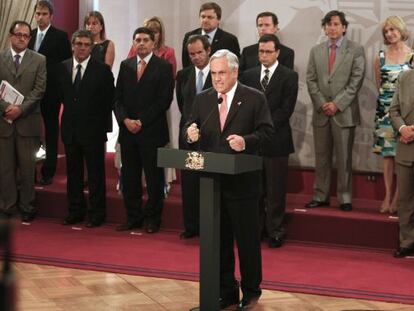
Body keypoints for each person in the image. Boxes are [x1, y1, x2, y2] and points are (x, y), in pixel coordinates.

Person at [185, 50, 273, 310]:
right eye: (213, 73)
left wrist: (246, 141)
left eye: (222, 73)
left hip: (242, 184)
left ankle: (251, 292)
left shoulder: (254, 98)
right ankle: (225, 292)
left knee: (246, 242)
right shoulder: (203, 100)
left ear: (235, 72)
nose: (217, 78)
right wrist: (189, 134)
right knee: (218, 242)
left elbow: (268, 134)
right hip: (211, 184)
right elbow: (189, 128)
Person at [240, 34, 298, 248]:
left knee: (275, 191)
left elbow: (286, 109)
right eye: (261, 52)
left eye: (268, 52)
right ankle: (256, 229)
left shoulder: (289, 76)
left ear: (277, 53)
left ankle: (275, 230)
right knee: (255, 190)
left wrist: (264, 127)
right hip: (254, 143)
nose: (263, 55)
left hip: (277, 141)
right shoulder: (248, 75)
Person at [114, 27, 174, 234]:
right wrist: (125, 120)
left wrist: (141, 121)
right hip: (128, 132)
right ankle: (133, 217)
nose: (141, 43)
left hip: (151, 132)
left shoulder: (163, 67)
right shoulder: (125, 65)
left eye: (145, 40)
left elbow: (164, 100)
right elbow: (117, 98)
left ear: (153, 43)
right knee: (130, 178)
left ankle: (152, 219)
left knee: (154, 178)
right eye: (137, 40)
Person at [305, 10, 366, 212]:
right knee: (321, 157)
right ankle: (320, 195)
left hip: (344, 112)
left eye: (336, 24)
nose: (332, 28)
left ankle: (345, 197)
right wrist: (323, 103)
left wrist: (337, 104)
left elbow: (356, 81)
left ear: (344, 27)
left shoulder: (355, 50)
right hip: (321, 112)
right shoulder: (316, 50)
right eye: (328, 24)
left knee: (344, 158)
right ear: (324, 28)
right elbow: (311, 79)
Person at [57, 30, 114, 228]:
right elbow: (59, 98)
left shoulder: (102, 70)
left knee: (96, 174)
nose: (82, 47)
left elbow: (108, 102)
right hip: (70, 130)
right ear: (72, 45)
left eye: (86, 44)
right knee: (73, 174)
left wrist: (100, 126)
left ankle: (97, 213)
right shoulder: (62, 68)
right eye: (78, 43)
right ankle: (75, 211)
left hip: (93, 131)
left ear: (91, 47)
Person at [0, 21, 46, 221]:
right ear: (11, 35)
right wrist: (5, 108)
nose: (22, 38)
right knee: (5, 170)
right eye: (18, 34)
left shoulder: (39, 60)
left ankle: (27, 208)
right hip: (4, 122)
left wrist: (20, 109)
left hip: (28, 122)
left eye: (26, 35)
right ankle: (7, 207)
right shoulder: (0, 58)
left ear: (30, 38)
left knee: (28, 170)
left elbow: (39, 90)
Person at [28, 0, 72, 186]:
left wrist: (62, 94)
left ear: (51, 16)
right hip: (30, 93)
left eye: (44, 14)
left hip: (51, 92)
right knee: (30, 132)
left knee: (51, 131)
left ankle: (49, 170)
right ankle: (30, 171)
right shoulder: (28, 35)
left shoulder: (60, 36)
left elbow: (65, 67)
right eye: (38, 14)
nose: (40, 17)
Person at [372, 16, 413, 214]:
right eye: (386, 31)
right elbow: (378, 85)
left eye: (393, 29)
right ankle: (388, 195)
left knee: (402, 157)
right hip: (384, 113)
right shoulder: (380, 57)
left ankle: (398, 197)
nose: (390, 33)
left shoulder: (412, 56)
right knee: (387, 156)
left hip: (406, 116)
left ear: (401, 30)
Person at [176, 34, 212, 239]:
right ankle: (191, 226)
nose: (196, 57)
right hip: (188, 137)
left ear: (208, 51)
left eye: (199, 52)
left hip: (211, 139)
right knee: (189, 183)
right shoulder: (183, 75)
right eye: (192, 54)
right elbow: (183, 105)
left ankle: (209, 226)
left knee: (207, 182)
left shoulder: (218, 73)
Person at [389, 68, 414, 258]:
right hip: (406, 147)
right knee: (405, 200)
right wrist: (403, 128)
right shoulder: (405, 77)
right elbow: (394, 109)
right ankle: (407, 242)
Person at [181, 2, 240, 68]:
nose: (205, 20)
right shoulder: (189, 36)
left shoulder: (230, 40)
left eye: (210, 17)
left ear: (218, 20)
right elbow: (186, 64)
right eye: (203, 17)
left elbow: (235, 66)